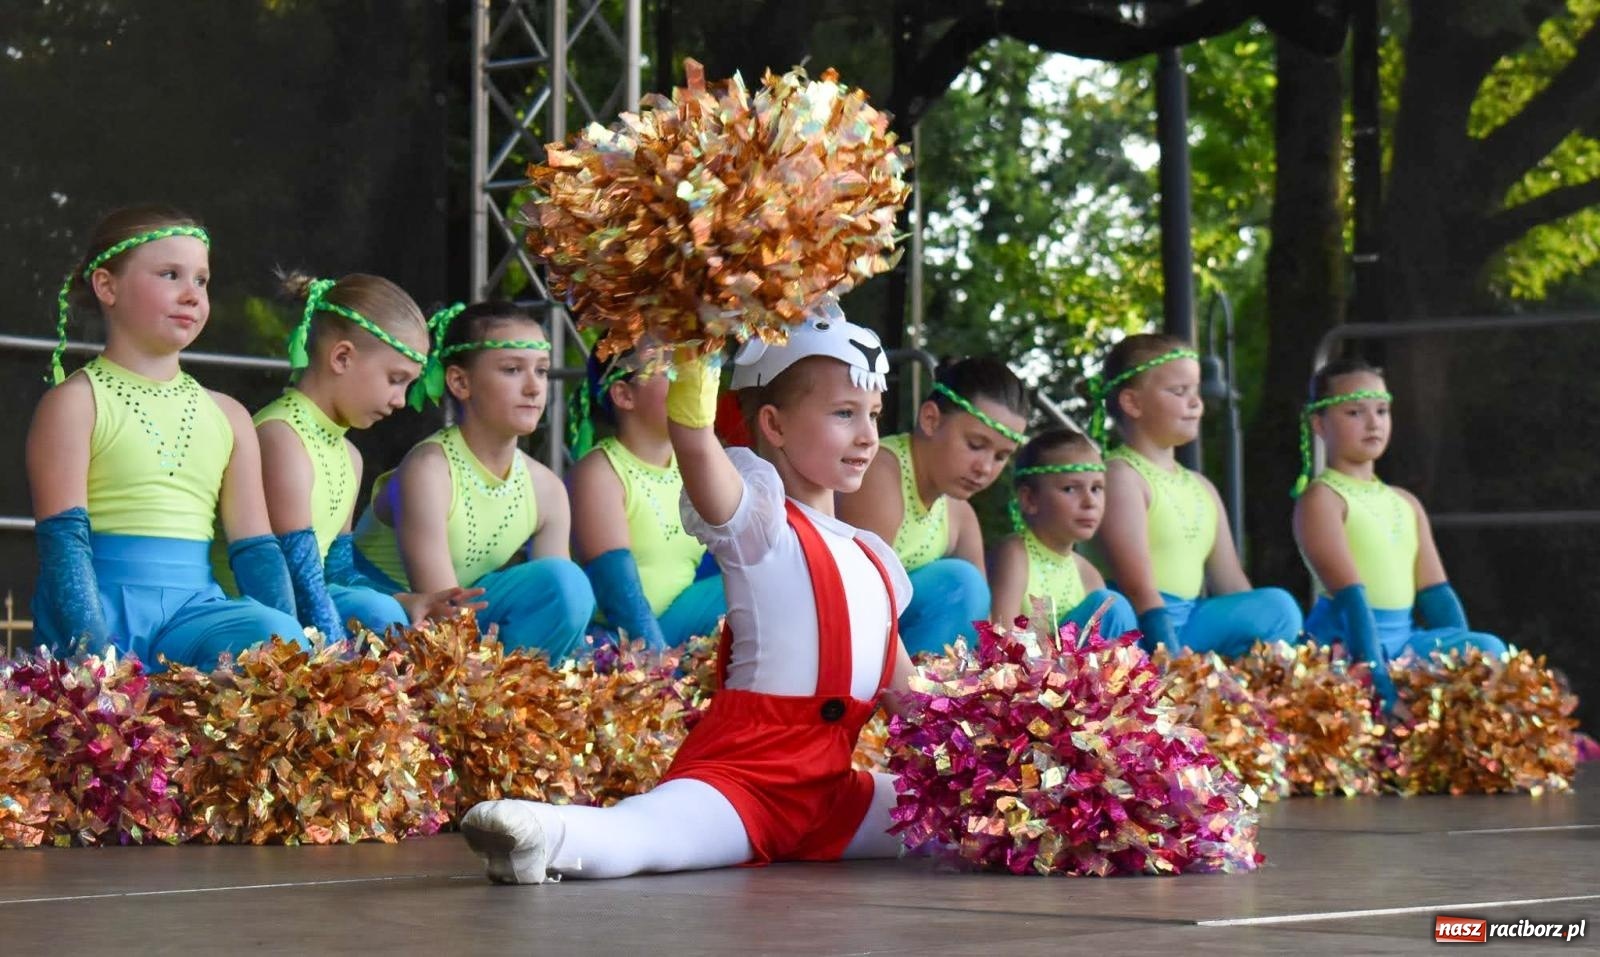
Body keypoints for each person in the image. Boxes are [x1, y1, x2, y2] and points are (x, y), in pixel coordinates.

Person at [460, 297, 915, 883]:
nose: (868, 436)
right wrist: (699, 329)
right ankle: (544, 832)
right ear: (773, 424)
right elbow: (696, 440)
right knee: (648, 836)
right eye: (845, 414)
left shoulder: (872, 560)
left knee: (960, 821)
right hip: (744, 782)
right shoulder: (760, 521)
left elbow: (909, 698)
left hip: (831, 796)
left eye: (873, 414)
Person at [28, 204, 304, 666]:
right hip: (101, 611)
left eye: (201, 280)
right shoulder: (75, 402)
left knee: (272, 637)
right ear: (107, 286)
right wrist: (95, 662)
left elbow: (255, 549)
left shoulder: (230, 416)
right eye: (170, 274)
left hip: (196, 616)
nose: (191, 294)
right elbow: (64, 548)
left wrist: (292, 657)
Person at [351, 300, 591, 659]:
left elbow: (561, 611)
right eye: (512, 370)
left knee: (567, 583)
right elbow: (440, 608)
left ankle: (520, 702)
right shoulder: (430, 469)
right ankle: (471, 707)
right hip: (389, 624)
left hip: (463, 619)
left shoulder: (547, 488)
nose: (534, 388)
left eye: (541, 371)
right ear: (461, 382)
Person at [255, 274, 468, 640]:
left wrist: (404, 599)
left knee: (384, 611)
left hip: (308, 608)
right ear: (342, 357)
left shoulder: (349, 455)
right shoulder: (282, 438)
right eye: (395, 378)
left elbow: (337, 573)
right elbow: (295, 580)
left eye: (409, 385)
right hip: (261, 616)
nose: (401, 400)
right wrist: (342, 670)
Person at [1292, 357, 1507, 710]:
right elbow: (1351, 601)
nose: (1373, 423)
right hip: (1344, 643)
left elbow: (1436, 595)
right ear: (1319, 423)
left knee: (1489, 649)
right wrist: (1377, 680)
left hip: (1405, 642)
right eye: (1355, 413)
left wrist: (1464, 663)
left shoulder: (1407, 503)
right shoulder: (1322, 498)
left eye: (1381, 410)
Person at [1088, 334, 1301, 656]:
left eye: (1196, 390)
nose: (1196, 403)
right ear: (1132, 402)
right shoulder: (1121, 476)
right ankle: (1166, 676)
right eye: (1179, 391)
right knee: (1116, 609)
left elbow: (1232, 585)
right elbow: (1138, 587)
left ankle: (1241, 683)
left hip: (1191, 622)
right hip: (1139, 625)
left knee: (1278, 607)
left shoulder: (1203, 488)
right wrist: (1172, 663)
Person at [836, 357, 1027, 655]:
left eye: (1001, 456)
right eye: (976, 445)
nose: (985, 467)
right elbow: (859, 601)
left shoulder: (960, 515)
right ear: (930, 420)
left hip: (894, 653)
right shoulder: (881, 474)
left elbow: (983, 626)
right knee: (960, 582)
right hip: (848, 641)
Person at [568, 342, 725, 650]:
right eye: (672, 372)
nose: (689, 379)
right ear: (624, 396)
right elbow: (620, 597)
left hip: (681, 627)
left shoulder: (697, 463)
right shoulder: (599, 472)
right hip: (617, 642)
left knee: (762, 585)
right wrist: (661, 678)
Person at [988, 427, 1137, 637]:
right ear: (1029, 499)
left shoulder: (1088, 574)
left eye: (1096, 488)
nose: (1089, 502)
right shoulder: (1014, 555)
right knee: (1110, 604)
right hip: (1018, 668)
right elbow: (1000, 639)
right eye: (1070, 488)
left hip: (1082, 670)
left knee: (1113, 605)